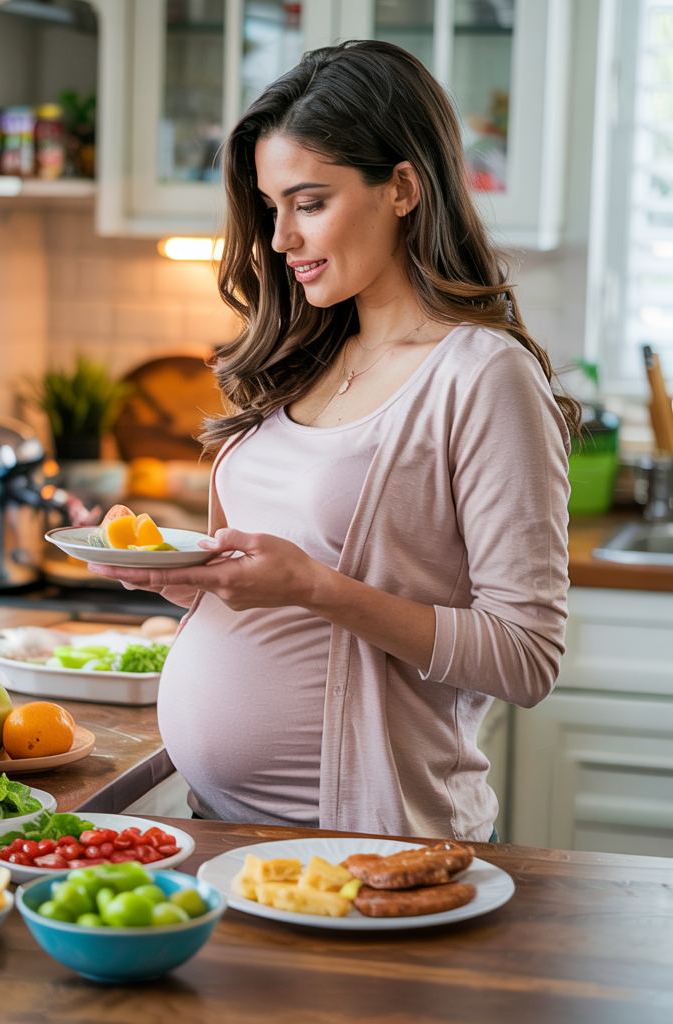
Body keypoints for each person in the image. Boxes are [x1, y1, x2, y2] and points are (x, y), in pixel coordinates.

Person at [88, 41, 575, 843]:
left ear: (404, 188)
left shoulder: (483, 376)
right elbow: (280, 588)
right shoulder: (301, 355)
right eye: (271, 206)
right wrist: (191, 581)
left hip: (371, 843)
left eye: (309, 203)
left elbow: (526, 656)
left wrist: (317, 589)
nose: (280, 240)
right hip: (221, 829)